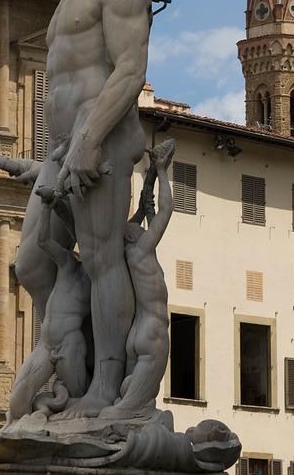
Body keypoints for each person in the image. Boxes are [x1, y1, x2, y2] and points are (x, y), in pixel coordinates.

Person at [13, 0, 151, 418]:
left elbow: (131, 67)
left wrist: (91, 137)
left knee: (100, 258)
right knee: (30, 264)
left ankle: (105, 386)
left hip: (102, 139)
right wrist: (59, 147)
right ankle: (75, 356)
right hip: (60, 149)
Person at [4, 177, 92, 422]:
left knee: (74, 405)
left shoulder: (100, 285)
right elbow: (42, 242)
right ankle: (46, 411)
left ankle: (53, 416)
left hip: (70, 346)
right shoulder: (68, 264)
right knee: (17, 403)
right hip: (47, 344)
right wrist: (45, 208)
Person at [100, 139, 175, 420]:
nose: (145, 229)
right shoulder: (142, 251)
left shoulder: (133, 253)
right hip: (153, 334)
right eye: (140, 229)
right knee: (130, 412)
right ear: (134, 236)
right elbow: (165, 212)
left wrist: (150, 181)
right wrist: (163, 170)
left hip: (136, 335)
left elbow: (146, 210)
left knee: (128, 406)